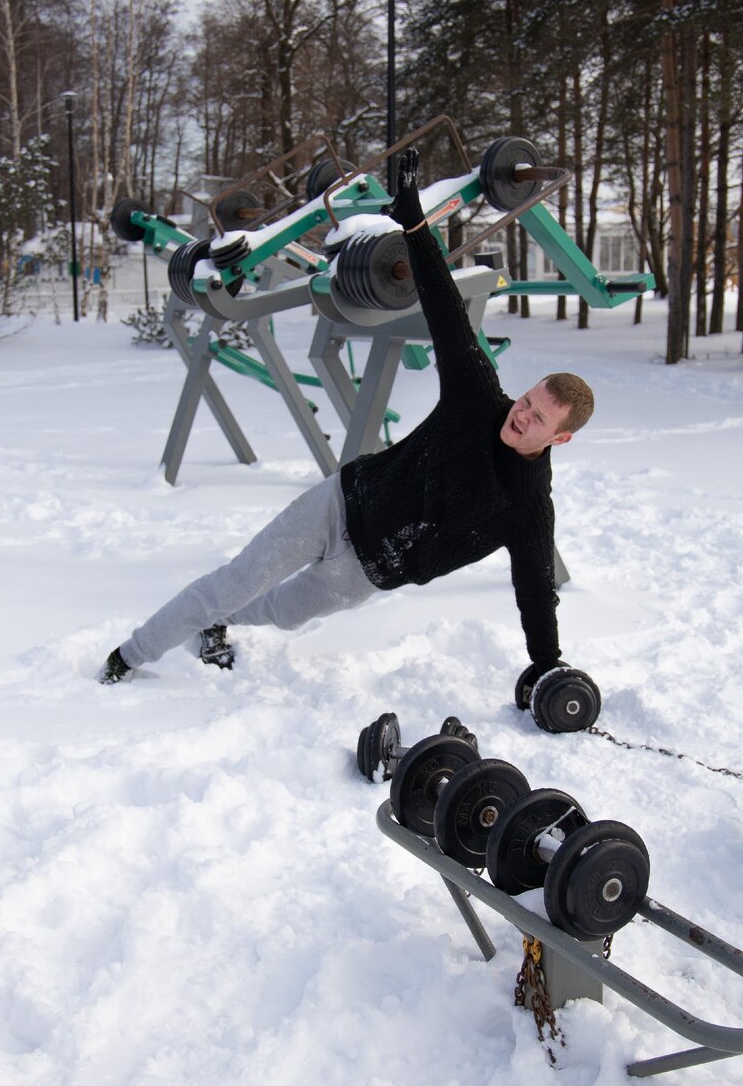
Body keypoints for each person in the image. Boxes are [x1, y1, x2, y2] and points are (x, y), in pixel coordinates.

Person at [97, 148, 594, 689]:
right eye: (526, 401)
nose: (521, 416)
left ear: (559, 438)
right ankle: (128, 655)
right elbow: (447, 310)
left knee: (281, 612)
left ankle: (215, 625)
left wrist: (547, 665)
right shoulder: (478, 399)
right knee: (235, 581)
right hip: (339, 505)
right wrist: (415, 224)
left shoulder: (526, 508)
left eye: (538, 419)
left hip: (365, 575)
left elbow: (536, 589)